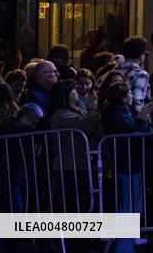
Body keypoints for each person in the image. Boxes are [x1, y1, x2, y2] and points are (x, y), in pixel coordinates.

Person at [100, 82, 152, 253]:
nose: (131, 95)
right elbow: (133, 136)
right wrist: (143, 119)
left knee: (133, 204)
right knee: (128, 205)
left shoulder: (122, 112)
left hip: (131, 163)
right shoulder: (117, 114)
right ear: (123, 97)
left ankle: (127, 244)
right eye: (129, 93)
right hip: (127, 164)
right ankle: (124, 247)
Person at [47, 79, 98, 213]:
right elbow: (86, 125)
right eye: (74, 90)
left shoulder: (79, 109)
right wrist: (92, 108)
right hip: (69, 165)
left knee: (84, 202)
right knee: (71, 203)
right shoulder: (60, 114)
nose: (77, 92)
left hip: (81, 163)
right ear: (66, 94)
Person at [116, 36, 151, 112]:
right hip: (130, 118)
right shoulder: (141, 74)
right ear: (142, 54)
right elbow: (137, 101)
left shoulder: (113, 70)